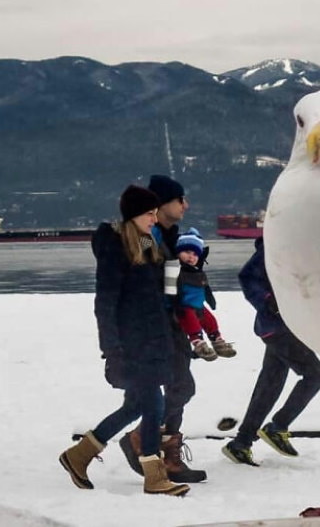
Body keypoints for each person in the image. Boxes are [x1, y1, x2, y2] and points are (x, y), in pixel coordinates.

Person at [59, 185, 189, 496]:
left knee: (134, 406)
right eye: (149, 214)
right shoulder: (115, 247)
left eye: (155, 214)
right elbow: (105, 302)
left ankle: (78, 455)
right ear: (134, 214)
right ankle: (154, 475)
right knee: (154, 405)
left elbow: (158, 289)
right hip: (132, 344)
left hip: (152, 339)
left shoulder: (147, 245)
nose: (154, 220)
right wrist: (112, 350)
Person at [118, 174, 207, 484]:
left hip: (177, 324)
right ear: (163, 202)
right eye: (180, 199)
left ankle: (169, 456)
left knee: (175, 388)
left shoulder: (174, 239)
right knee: (180, 388)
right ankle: (141, 437)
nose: (186, 204)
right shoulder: (148, 238)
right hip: (158, 328)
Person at [222, 236, 320, 466]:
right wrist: (269, 301)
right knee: (316, 375)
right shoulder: (274, 246)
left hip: (288, 328)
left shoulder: (306, 249)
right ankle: (278, 427)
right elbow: (247, 277)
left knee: (270, 385)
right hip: (278, 327)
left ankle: (240, 444)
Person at [175, 227, 237, 361]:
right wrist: (174, 303)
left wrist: (210, 299)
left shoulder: (198, 271)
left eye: (195, 254)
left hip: (199, 305)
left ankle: (217, 340)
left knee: (210, 321)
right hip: (184, 306)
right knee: (192, 323)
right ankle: (198, 342)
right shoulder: (176, 270)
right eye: (186, 252)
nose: (191, 256)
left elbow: (205, 287)